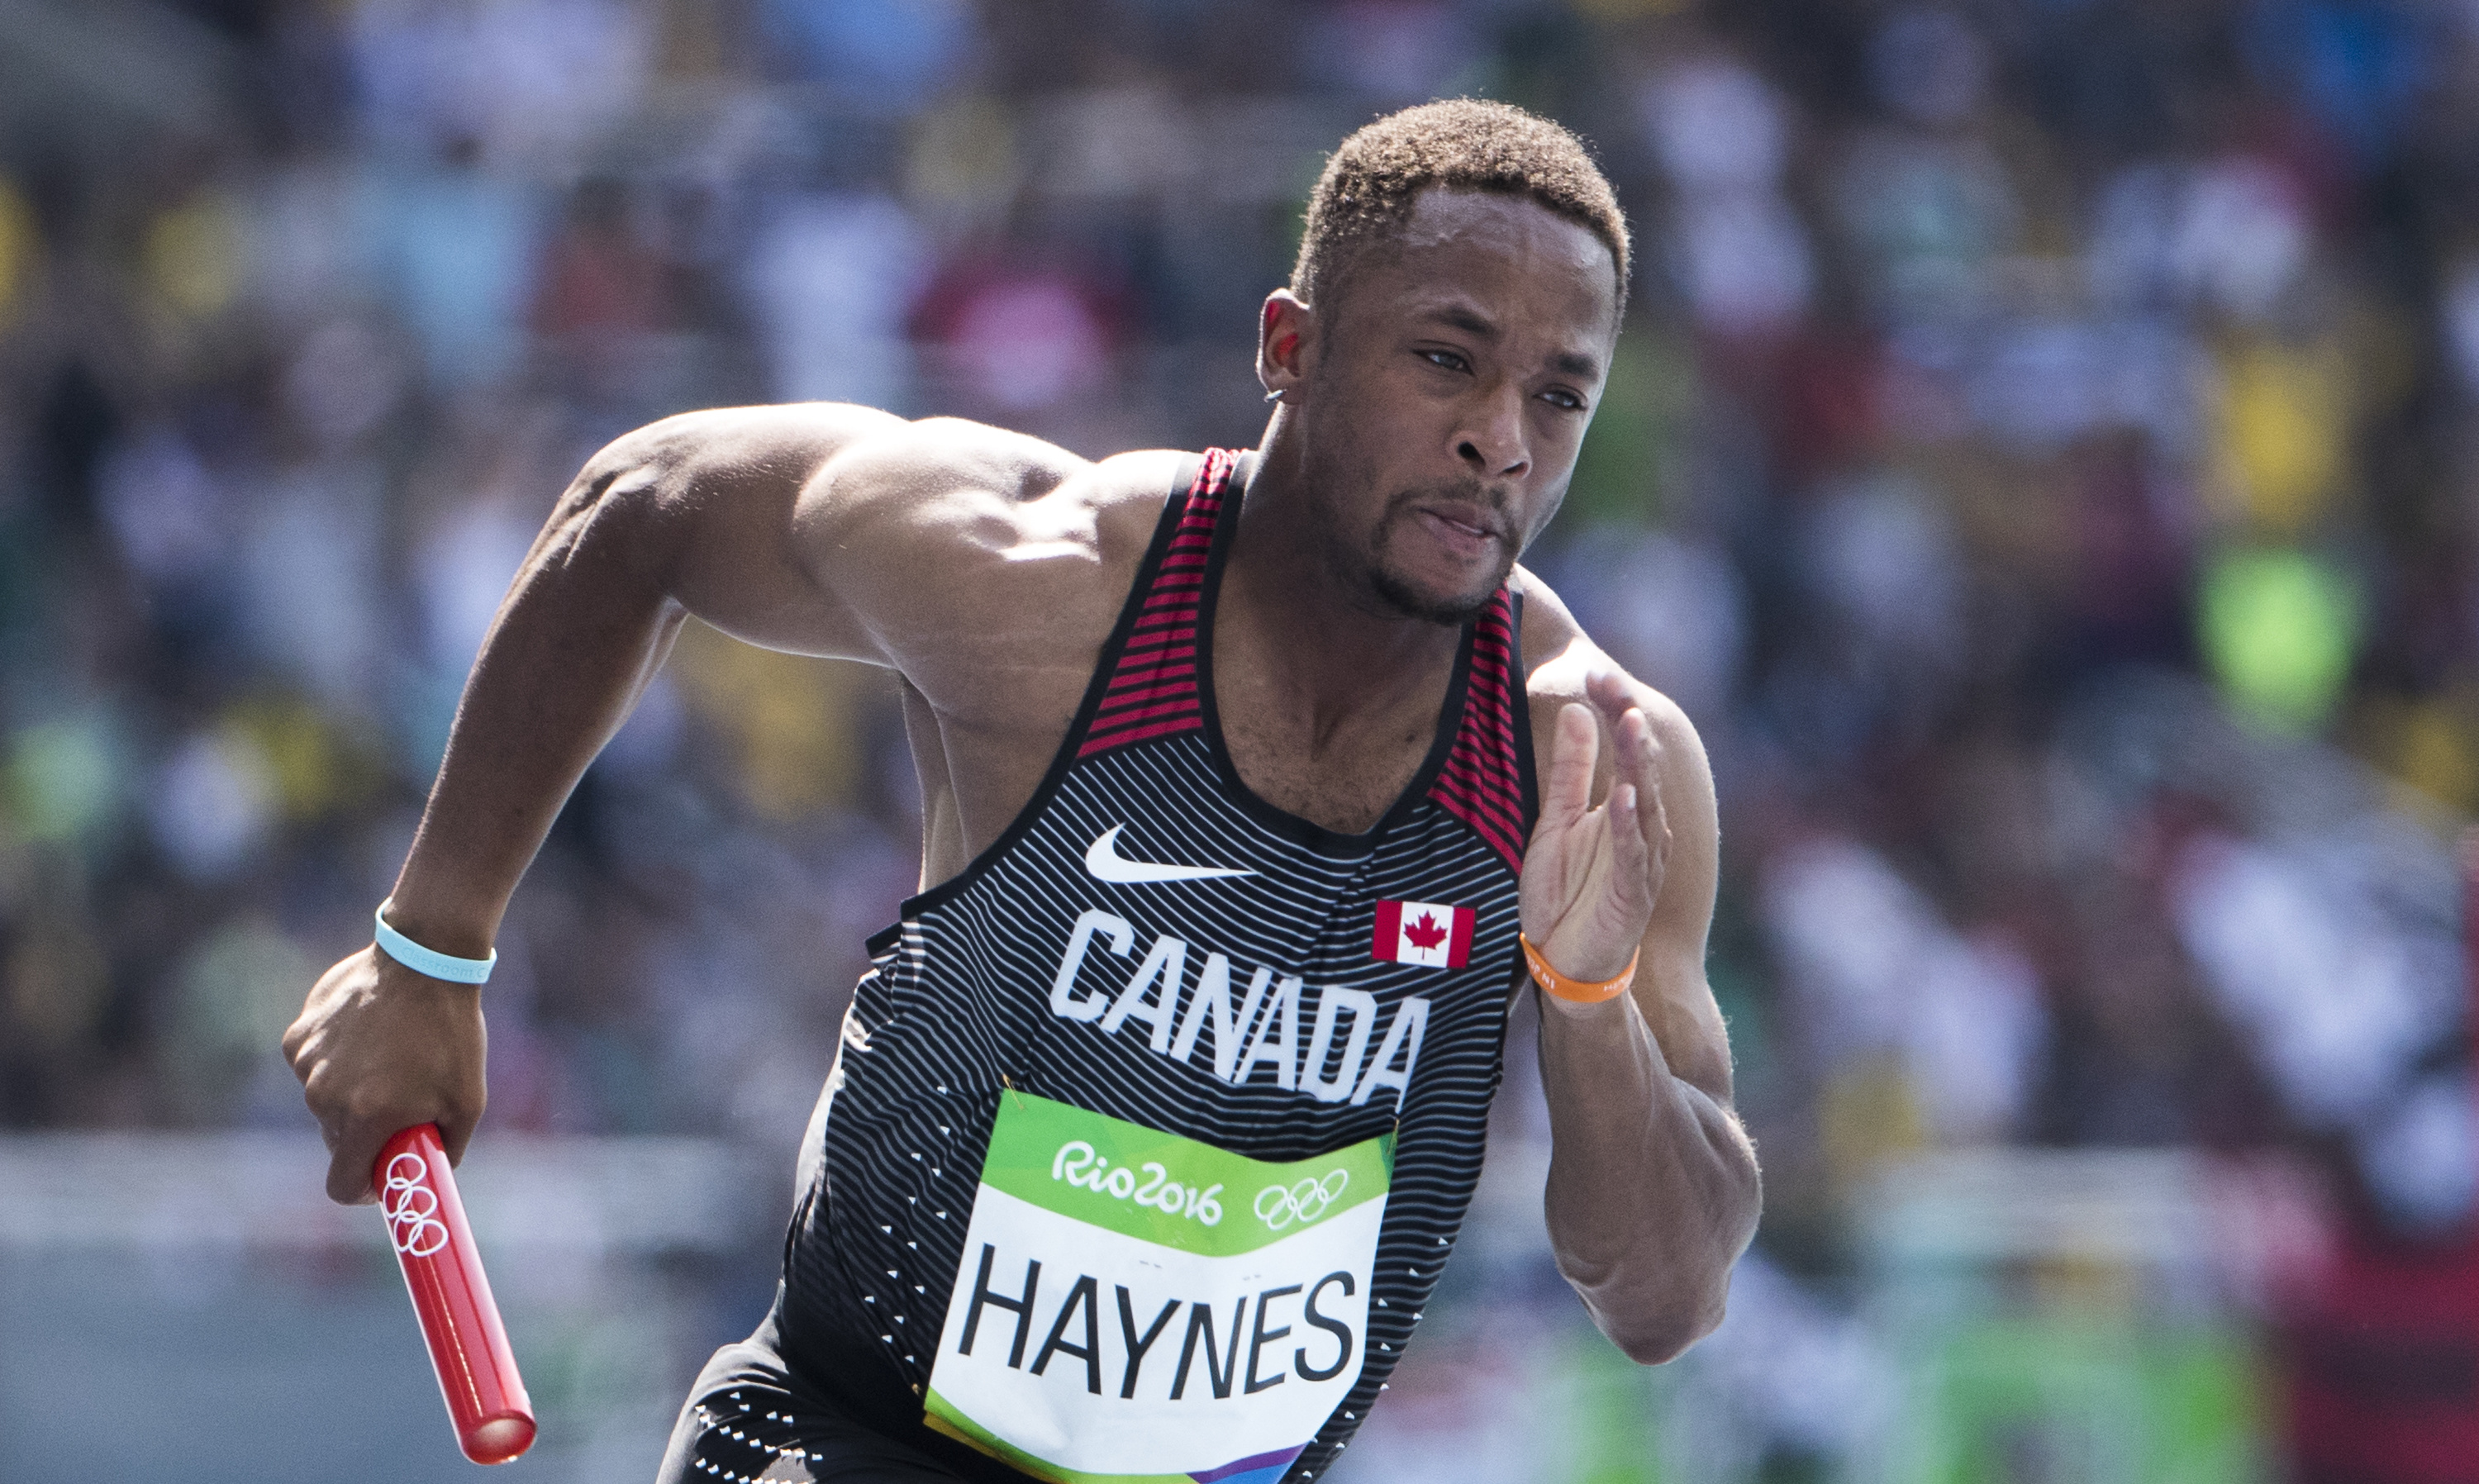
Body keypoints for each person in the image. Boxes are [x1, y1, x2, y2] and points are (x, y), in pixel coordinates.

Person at [283, 98, 1760, 1484]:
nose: (1502, 439)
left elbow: (1666, 1298)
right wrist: (432, 951)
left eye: (1558, 395)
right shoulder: (1041, 588)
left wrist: (1588, 1003)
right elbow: (644, 503)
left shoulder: (1597, 771)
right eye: (1446, 359)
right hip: (843, 1438)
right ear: (1290, 348)